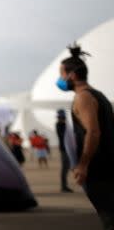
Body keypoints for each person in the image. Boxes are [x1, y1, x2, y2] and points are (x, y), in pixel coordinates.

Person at [57, 42, 114, 229]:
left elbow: (93, 131)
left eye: (62, 74)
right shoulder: (99, 95)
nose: (60, 79)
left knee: (109, 217)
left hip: (100, 168)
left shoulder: (83, 97)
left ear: (72, 75)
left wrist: (83, 164)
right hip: (106, 164)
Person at [56, 110, 73, 192]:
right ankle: (64, 186)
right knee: (65, 167)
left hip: (66, 148)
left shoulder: (63, 125)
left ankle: (64, 185)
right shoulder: (60, 125)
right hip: (65, 149)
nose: (63, 119)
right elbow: (65, 136)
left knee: (67, 167)